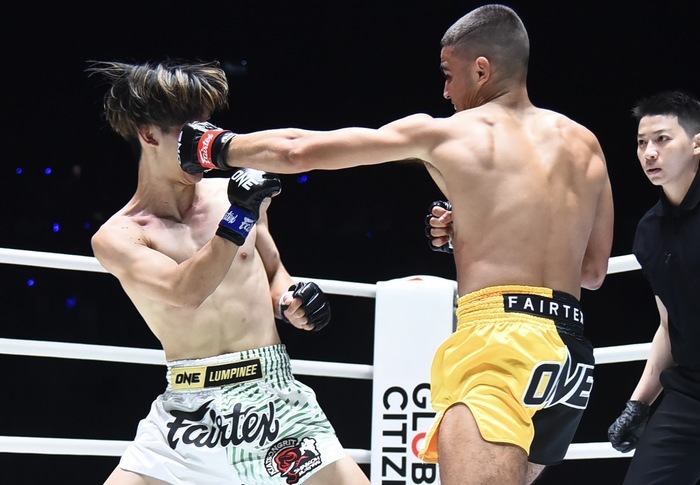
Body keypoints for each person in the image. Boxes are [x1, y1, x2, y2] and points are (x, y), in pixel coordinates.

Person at [177, 4, 614, 484]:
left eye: (448, 74)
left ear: (481, 70)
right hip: (570, 354)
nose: (446, 92)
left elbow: (299, 150)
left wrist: (214, 147)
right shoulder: (584, 143)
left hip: (498, 343)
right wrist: (476, 236)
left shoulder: (448, 133)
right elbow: (593, 272)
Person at [87, 59, 370, 485]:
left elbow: (273, 272)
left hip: (273, 396)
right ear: (149, 135)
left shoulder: (230, 195)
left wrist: (290, 301)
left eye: (207, 128)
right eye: (188, 133)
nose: (204, 144)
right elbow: (184, 290)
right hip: (187, 414)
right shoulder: (119, 236)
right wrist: (239, 216)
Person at [607, 90, 700, 484]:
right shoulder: (649, 231)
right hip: (690, 392)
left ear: (696, 143)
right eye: (642, 142)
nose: (649, 152)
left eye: (662, 139)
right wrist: (638, 404)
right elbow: (668, 326)